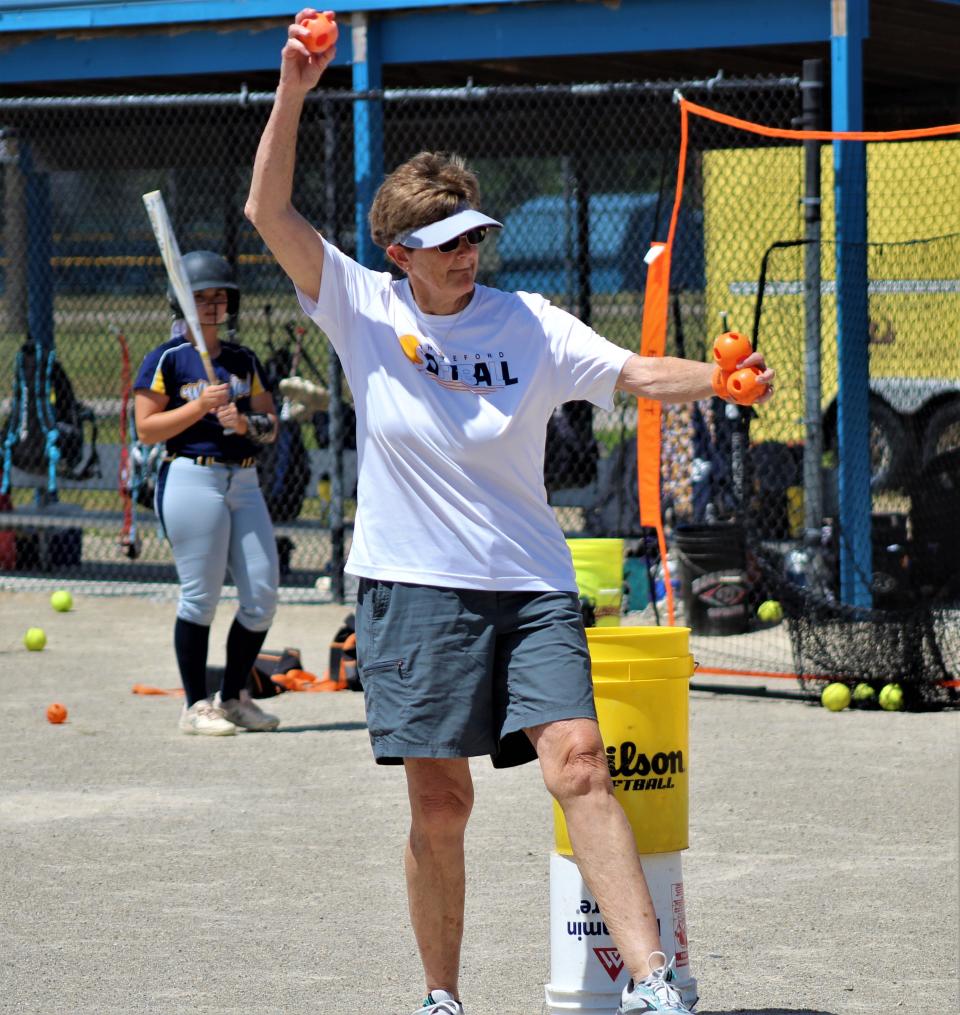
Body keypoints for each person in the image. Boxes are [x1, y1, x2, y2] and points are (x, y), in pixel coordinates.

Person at [245, 11, 775, 1013]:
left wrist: (720, 379)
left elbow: (629, 371)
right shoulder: (362, 306)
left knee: (580, 762)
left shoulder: (526, 321)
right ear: (400, 251)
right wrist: (294, 88)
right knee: (441, 803)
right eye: (443, 246)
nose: (465, 257)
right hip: (412, 585)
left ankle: (658, 980)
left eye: (474, 238)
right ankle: (441, 994)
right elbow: (267, 208)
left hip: (530, 581)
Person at [134, 250, 282, 736]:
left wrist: (243, 420)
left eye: (220, 296)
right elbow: (147, 429)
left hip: (244, 480)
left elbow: (270, 424)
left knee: (261, 594)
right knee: (201, 597)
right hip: (192, 477)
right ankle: (196, 705)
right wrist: (199, 406)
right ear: (182, 302)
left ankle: (234, 697)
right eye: (202, 296)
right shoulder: (167, 359)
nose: (213, 304)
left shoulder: (243, 360)